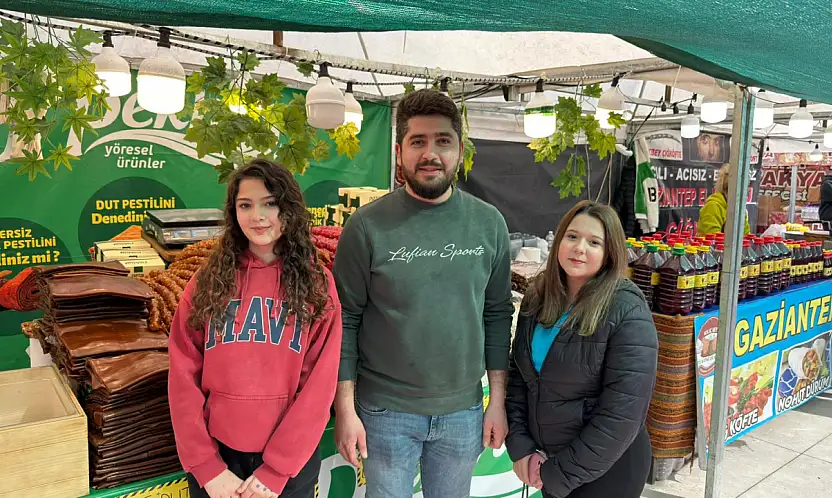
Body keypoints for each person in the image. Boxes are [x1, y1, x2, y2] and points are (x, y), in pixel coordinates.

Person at [332, 89, 515, 498]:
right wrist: (345, 406)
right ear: (399, 152)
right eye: (418, 141)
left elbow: (498, 313)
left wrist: (497, 399)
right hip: (384, 412)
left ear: (460, 151)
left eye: (442, 141)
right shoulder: (365, 227)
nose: (430, 153)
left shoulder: (489, 224)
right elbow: (344, 320)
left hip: (464, 411)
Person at [168, 160, 342, 498]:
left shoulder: (317, 285)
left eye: (270, 203)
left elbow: (319, 387)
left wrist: (277, 470)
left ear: (289, 209)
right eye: (245, 205)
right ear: (233, 212)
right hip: (219, 458)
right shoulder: (208, 281)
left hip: (289, 464)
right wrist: (206, 466)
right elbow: (183, 373)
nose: (257, 216)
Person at [505, 201, 658, 498]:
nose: (579, 248)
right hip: (549, 462)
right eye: (572, 237)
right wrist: (522, 448)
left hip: (609, 470)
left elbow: (622, 414)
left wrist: (558, 474)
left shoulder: (626, 309)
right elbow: (519, 377)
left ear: (610, 252)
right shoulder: (538, 297)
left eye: (594, 242)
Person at [698, 163, 751, 236]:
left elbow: (746, 237)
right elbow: (712, 241)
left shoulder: (739, 209)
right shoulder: (713, 206)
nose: (747, 190)